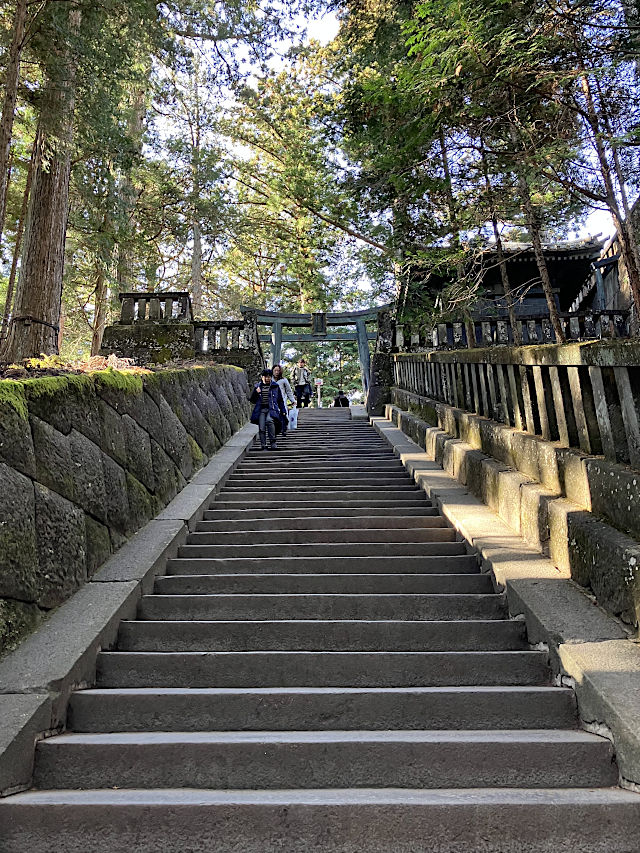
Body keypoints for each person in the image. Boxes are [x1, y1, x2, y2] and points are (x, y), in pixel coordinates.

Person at [249, 368, 287, 451]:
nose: (267, 378)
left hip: (271, 409)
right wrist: (257, 392)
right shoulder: (257, 387)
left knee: (269, 421)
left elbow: (280, 400)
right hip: (261, 409)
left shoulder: (275, 386)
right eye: (266, 377)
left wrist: (283, 411)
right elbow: (252, 400)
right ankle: (263, 445)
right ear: (262, 377)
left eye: (269, 377)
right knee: (262, 427)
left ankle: (273, 442)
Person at [272, 364, 295, 437]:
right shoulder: (269, 379)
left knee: (283, 415)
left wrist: (292, 400)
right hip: (272, 400)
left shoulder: (284, 380)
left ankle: (283, 429)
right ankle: (275, 431)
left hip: (282, 399)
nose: (276, 372)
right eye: (275, 370)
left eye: (278, 370)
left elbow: (288, 391)